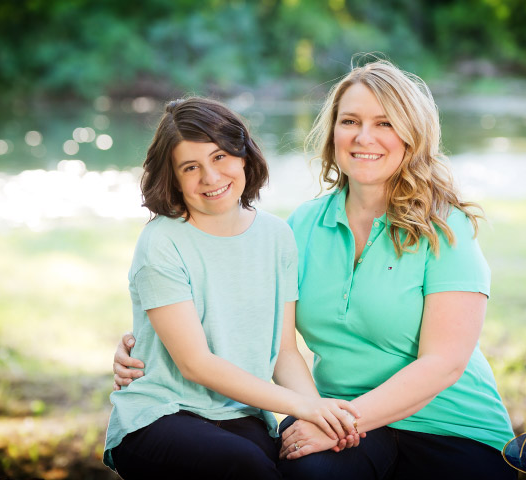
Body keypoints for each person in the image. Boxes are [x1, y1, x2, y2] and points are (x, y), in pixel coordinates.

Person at [113, 61, 517, 479]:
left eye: (384, 123)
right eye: (350, 121)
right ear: (333, 132)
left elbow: (443, 364)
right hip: (335, 413)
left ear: (413, 135)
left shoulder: (446, 229)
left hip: (447, 425)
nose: (364, 137)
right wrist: (143, 348)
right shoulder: (300, 228)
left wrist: (338, 419)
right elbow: (242, 314)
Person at [103, 97, 361, 480]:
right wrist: (304, 408)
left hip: (243, 416)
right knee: (246, 466)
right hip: (160, 415)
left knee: (300, 467)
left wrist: (318, 413)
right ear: (172, 178)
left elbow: (284, 352)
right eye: (191, 167)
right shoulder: (161, 241)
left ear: (243, 157)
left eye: (220, 156)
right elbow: (195, 363)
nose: (210, 176)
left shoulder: (277, 236)